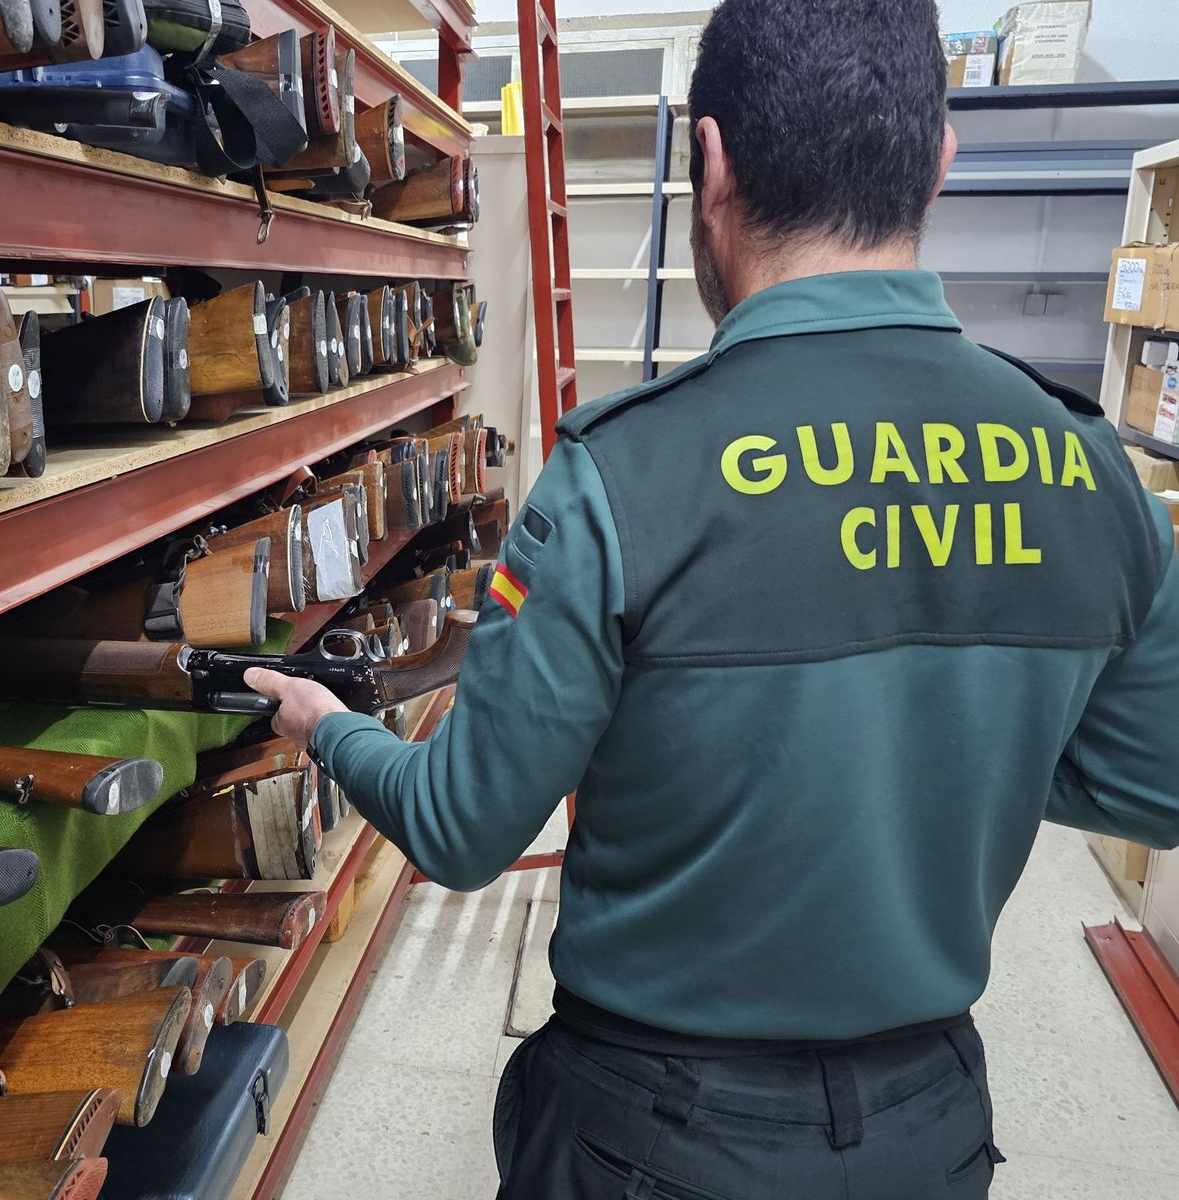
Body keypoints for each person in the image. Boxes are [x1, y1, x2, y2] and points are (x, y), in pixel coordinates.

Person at [244, 0, 1179, 1194]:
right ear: (940, 161)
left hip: (654, 1132)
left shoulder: (620, 474)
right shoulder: (1089, 466)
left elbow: (466, 829)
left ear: (709, 159)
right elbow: (1149, 788)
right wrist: (948, 733)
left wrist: (331, 731)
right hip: (925, 1127)